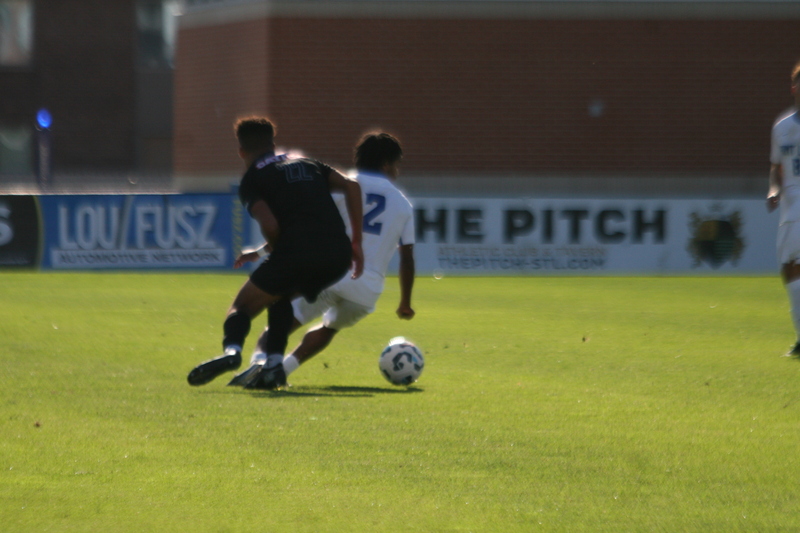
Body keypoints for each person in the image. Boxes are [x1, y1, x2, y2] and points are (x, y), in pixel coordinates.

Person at [228, 132, 416, 389]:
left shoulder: (339, 185)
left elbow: (298, 226)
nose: (397, 169)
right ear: (386, 164)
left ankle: (260, 362)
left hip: (330, 270)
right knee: (329, 329)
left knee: (283, 315)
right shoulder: (404, 205)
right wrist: (405, 302)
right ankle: (283, 370)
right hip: (367, 288)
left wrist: (261, 252)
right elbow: (407, 258)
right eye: (397, 164)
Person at [187, 116, 364, 385]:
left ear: (241, 152)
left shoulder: (253, 179)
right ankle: (272, 365)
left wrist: (279, 253)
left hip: (297, 254)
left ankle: (232, 351)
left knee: (242, 306)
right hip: (338, 256)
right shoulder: (307, 163)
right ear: (272, 143)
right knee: (279, 297)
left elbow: (271, 224)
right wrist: (357, 244)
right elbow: (352, 186)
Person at [767, 60, 800, 356]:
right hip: (791, 208)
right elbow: (776, 168)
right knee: (789, 269)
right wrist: (773, 191)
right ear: (794, 88)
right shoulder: (783, 127)